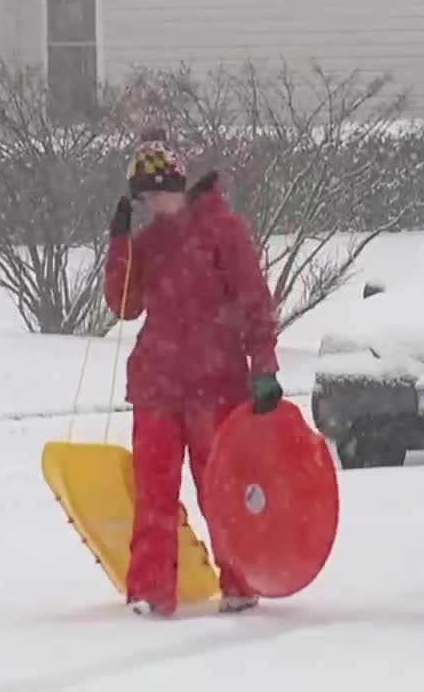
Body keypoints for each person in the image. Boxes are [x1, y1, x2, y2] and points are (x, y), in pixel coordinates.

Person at [104, 134, 284, 617]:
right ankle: (150, 591)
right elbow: (123, 304)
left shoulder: (222, 231)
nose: (150, 206)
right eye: (141, 199)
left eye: (153, 193)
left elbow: (253, 302)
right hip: (157, 386)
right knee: (154, 492)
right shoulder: (148, 242)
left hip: (216, 384)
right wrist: (119, 242)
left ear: (175, 185)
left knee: (221, 489)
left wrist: (263, 365)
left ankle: (240, 582)